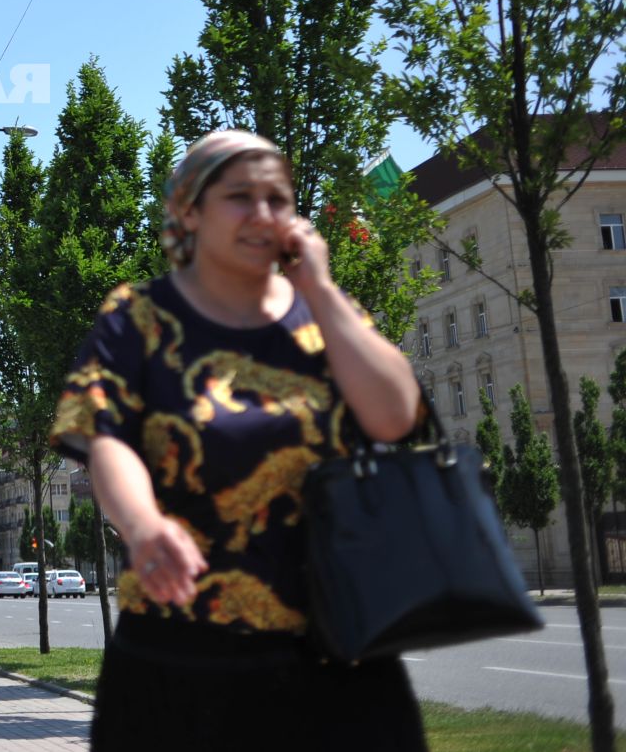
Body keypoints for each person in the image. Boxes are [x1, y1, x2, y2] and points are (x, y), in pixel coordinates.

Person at [49, 130, 427, 752]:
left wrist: (323, 292)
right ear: (189, 210)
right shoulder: (138, 318)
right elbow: (105, 437)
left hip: (340, 652)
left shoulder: (327, 315)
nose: (263, 214)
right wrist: (143, 526)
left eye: (278, 198)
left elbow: (395, 416)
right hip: (181, 653)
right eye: (240, 196)